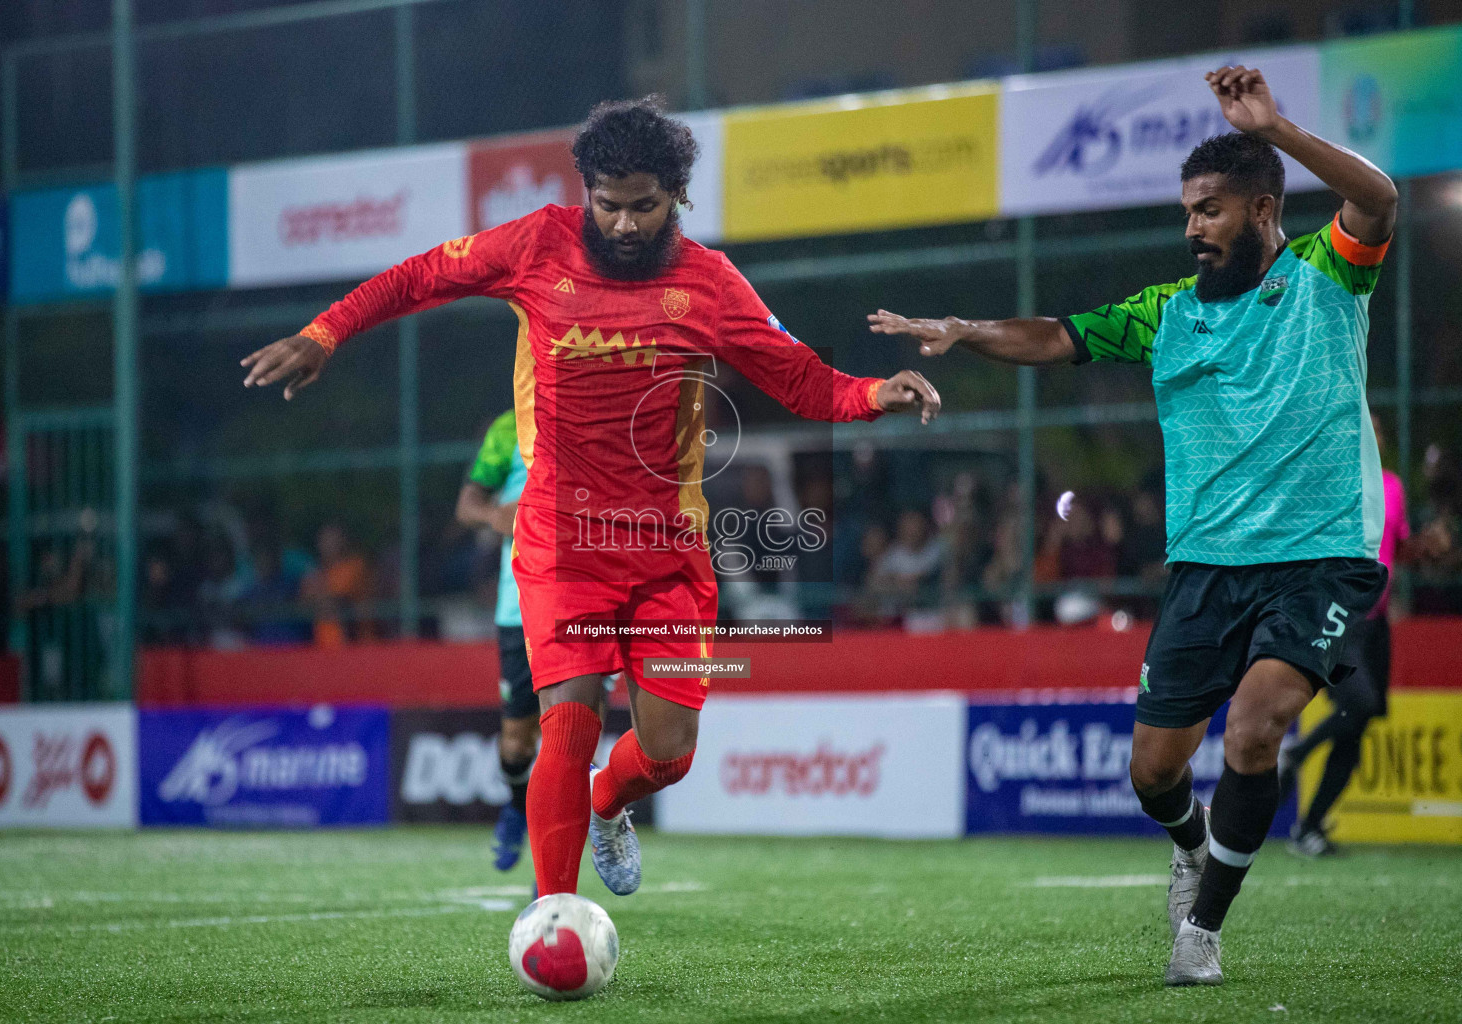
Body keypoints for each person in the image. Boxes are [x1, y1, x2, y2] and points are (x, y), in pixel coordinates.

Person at [240, 97, 939, 904]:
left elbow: (801, 378)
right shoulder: (537, 243)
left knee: (669, 752)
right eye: (607, 204)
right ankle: (553, 917)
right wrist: (325, 332)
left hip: (668, 556)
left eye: (644, 205)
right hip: (562, 545)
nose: (625, 223)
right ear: (586, 193)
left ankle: (611, 801)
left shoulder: (710, 284)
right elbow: (425, 273)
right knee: (566, 724)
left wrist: (873, 393)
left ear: (677, 195)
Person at [870, 65, 1396, 986]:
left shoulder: (1327, 276)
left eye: (1211, 210)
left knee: (1255, 730)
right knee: (1153, 771)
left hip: (1318, 560)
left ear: (1265, 208)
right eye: (1189, 210)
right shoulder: (1169, 313)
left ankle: (1203, 932)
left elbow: (1379, 196)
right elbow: (1057, 336)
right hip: (1204, 568)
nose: (1192, 226)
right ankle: (1190, 845)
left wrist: (1275, 127)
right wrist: (964, 327)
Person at [1278, 411, 1408, 855]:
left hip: (1378, 623)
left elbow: (1399, 543)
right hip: (1342, 619)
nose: (1370, 438)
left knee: (1359, 725)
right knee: (1361, 702)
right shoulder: (1334, 486)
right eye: (1362, 432)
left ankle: (1308, 830)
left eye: (1376, 431)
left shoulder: (1393, 487)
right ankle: (1295, 754)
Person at [454, 408, 538, 873]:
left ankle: (551, 876)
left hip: (585, 604)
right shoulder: (508, 426)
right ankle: (517, 805)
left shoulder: (599, 409)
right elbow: (467, 504)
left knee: (574, 733)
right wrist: (493, 516)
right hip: (518, 609)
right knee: (516, 746)